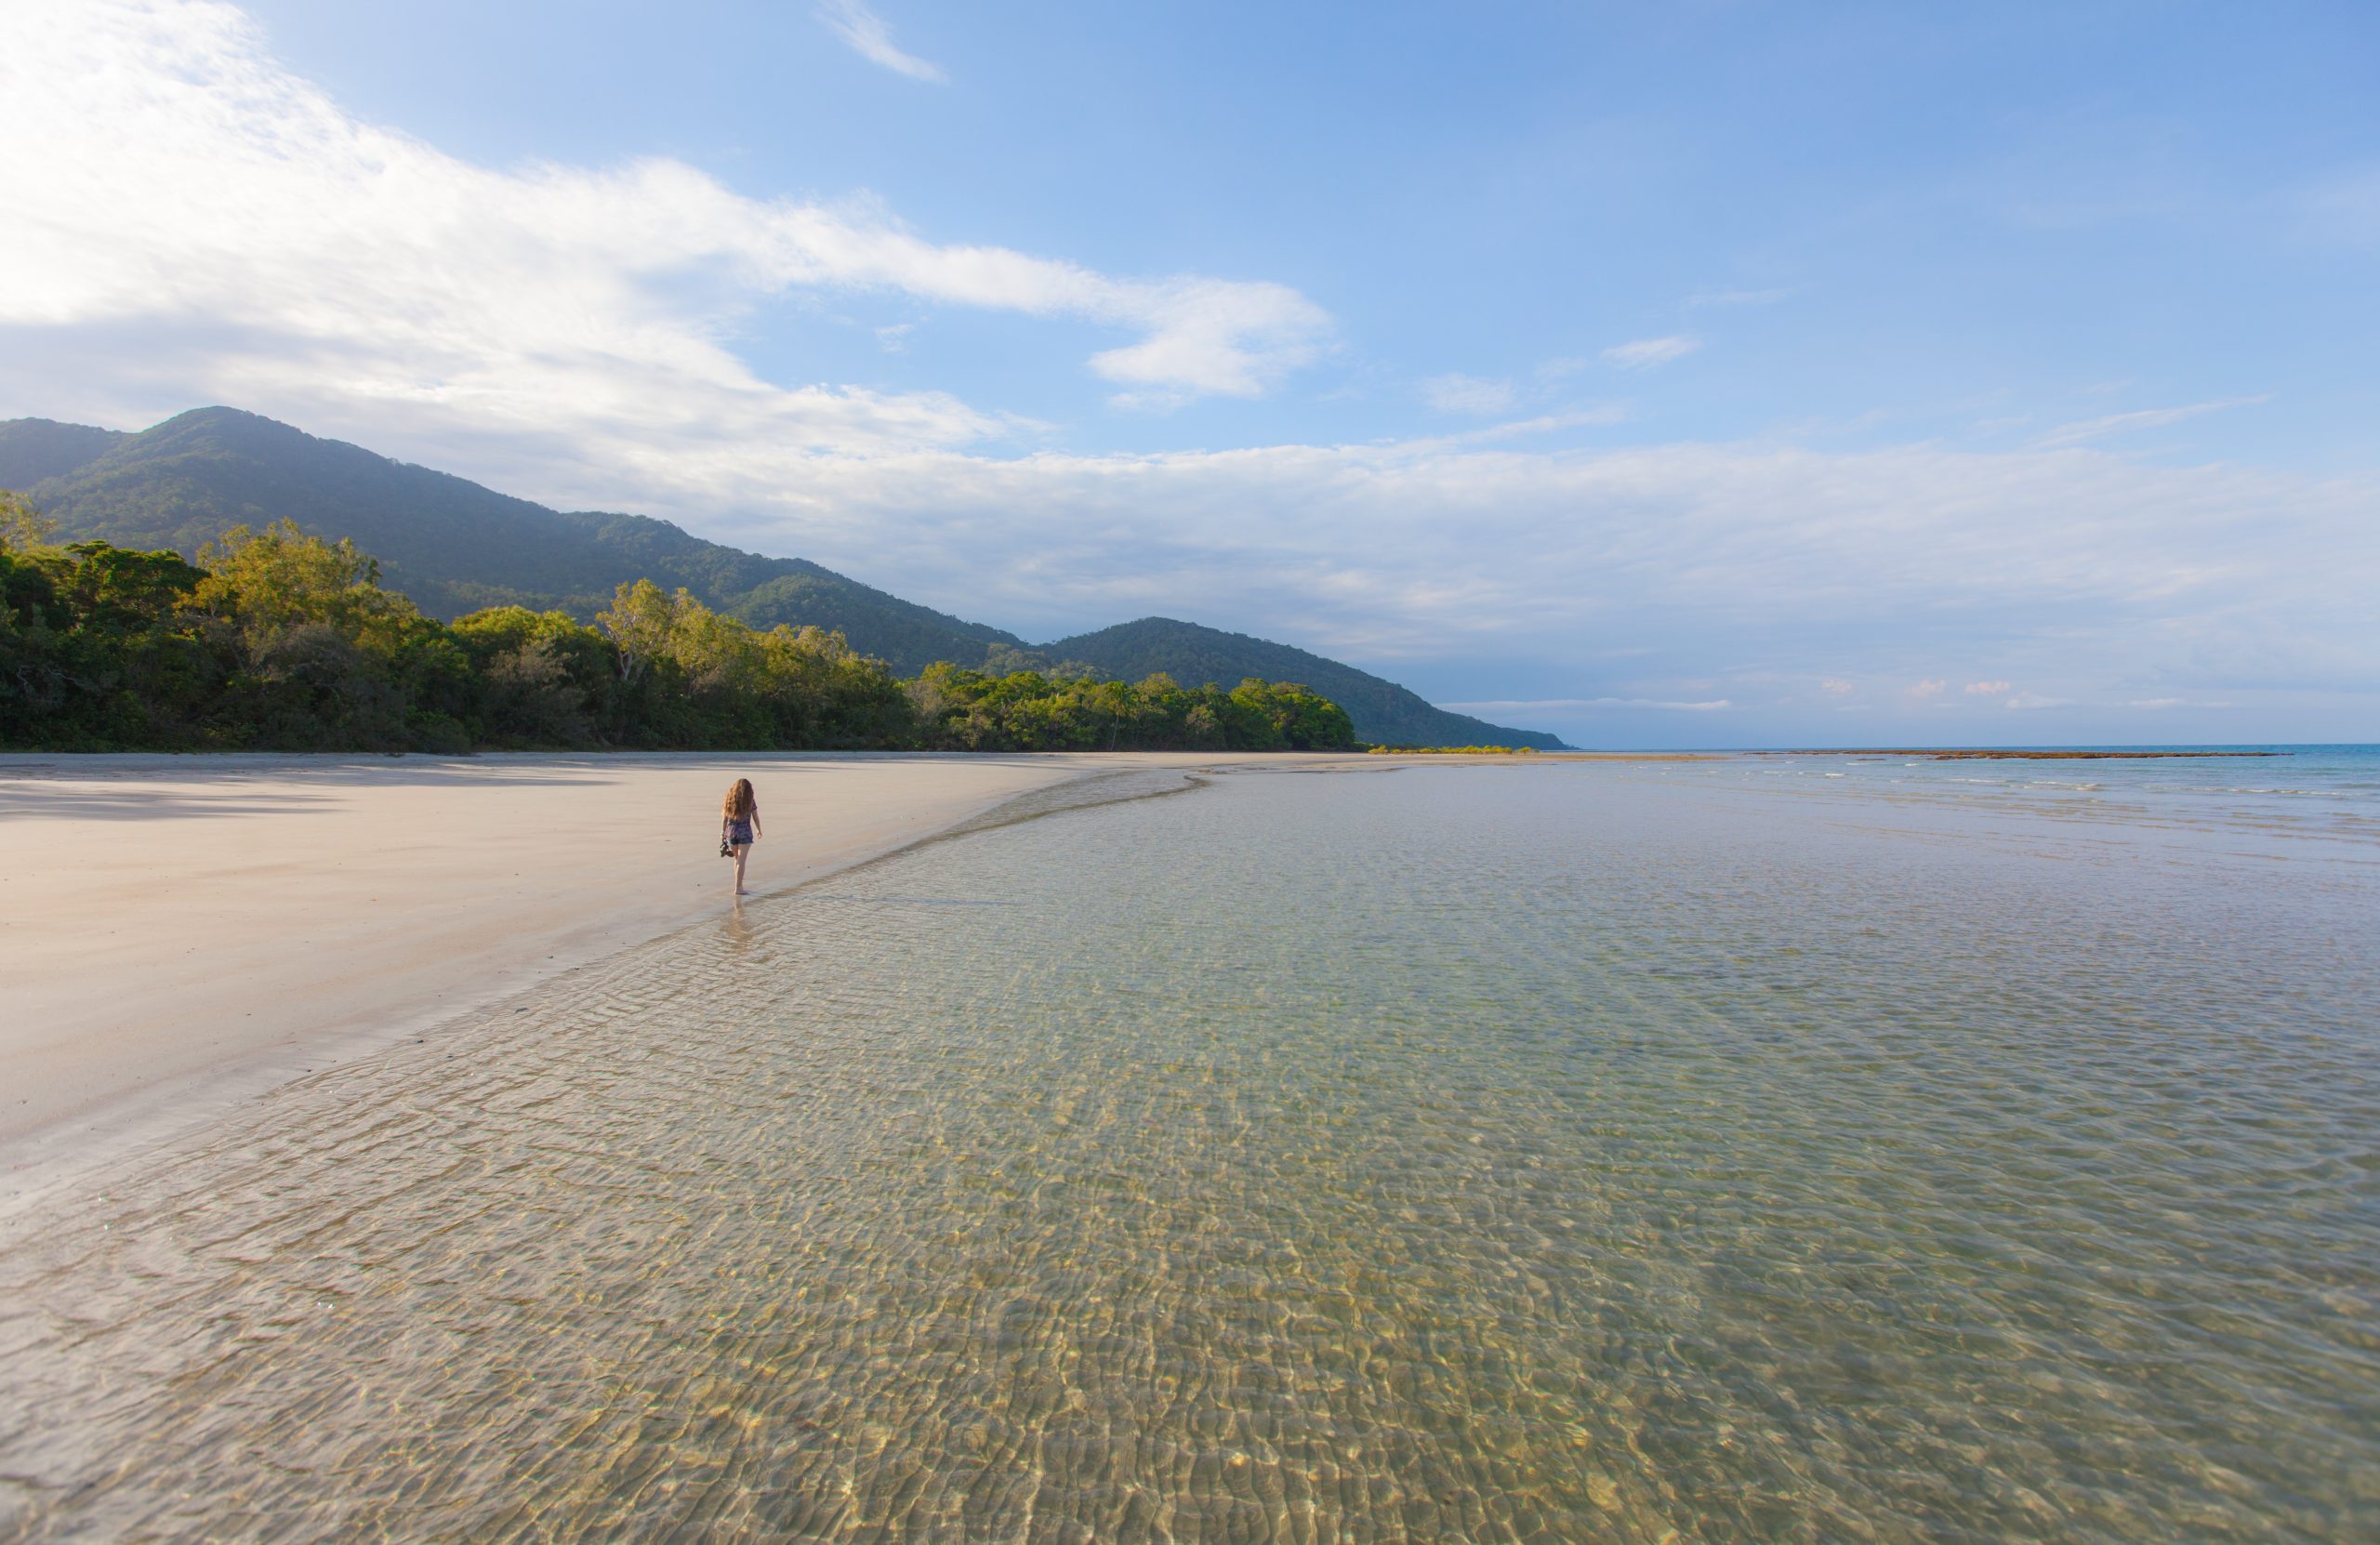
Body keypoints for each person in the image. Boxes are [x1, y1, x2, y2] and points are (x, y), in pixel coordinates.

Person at [721, 777, 761, 896]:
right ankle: (738, 888)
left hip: (731, 832)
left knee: (737, 860)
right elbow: (755, 817)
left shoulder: (729, 799)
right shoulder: (750, 800)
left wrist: (722, 833)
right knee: (742, 860)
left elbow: (725, 818)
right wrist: (759, 829)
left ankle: (738, 885)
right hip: (744, 832)